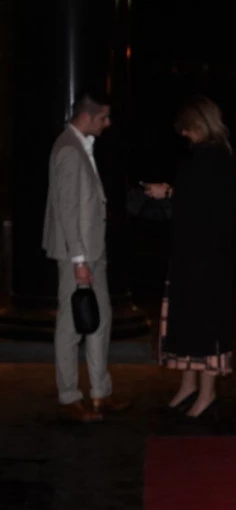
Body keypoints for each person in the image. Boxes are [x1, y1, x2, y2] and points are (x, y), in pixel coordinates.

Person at [146, 94, 236, 418]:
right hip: (192, 252)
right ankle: (188, 385)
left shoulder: (216, 157)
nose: (184, 134)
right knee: (186, 322)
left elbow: (209, 205)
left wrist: (170, 192)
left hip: (207, 256)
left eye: (187, 128)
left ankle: (207, 392)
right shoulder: (206, 156)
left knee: (204, 323)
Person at [42, 91, 131, 423]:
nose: (108, 123)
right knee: (71, 325)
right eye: (104, 117)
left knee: (100, 319)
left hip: (93, 249)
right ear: (87, 116)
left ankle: (100, 392)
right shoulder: (68, 148)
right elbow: (67, 210)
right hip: (76, 254)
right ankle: (68, 396)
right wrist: (78, 261)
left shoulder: (80, 146)